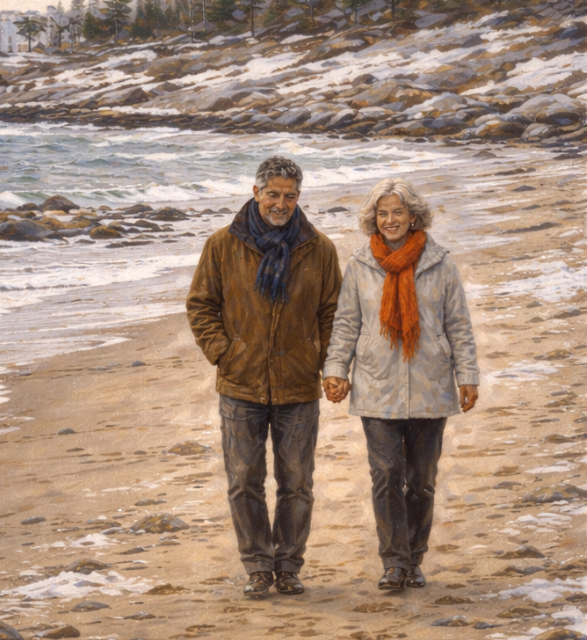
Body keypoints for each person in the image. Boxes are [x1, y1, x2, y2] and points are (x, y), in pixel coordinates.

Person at [186, 156, 342, 599]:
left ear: (298, 198)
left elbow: (333, 315)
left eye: (290, 196)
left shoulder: (319, 249)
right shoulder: (222, 245)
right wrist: (223, 352)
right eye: (272, 194)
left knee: (297, 483)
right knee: (243, 481)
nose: (281, 204)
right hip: (240, 384)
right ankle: (257, 566)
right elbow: (201, 305)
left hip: (297, 385)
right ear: (256, 194)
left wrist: (330, 366)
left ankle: (289, 566)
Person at [322, 178, 479, 591]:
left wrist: (468, 376)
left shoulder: (440, 263)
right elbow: (346, 325)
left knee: (422, 479)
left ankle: (414, 557)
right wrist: (335, 368)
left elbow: (458, 325)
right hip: (377, 385)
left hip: (430, 385)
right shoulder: (359, 265)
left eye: (397, 212)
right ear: (374, 218)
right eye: (382, 213)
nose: (390, 220)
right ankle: (394, 562)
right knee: (386, 475)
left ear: (414, 216)